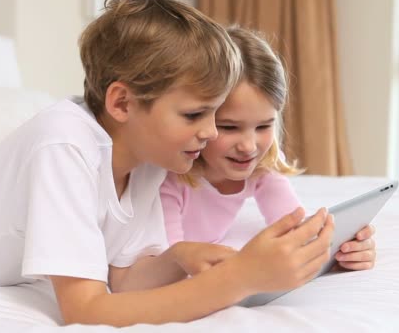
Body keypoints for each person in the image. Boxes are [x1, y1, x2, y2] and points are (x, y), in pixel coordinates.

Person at [0, 0, 334, 327]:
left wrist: (180, 256)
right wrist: (238, 279)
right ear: (123, 102)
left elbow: (125, 279)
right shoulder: (64, 144)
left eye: (214, 114)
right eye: (194, 114)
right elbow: (85, 311)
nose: (208, 132)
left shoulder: (149, 158)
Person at [161, 26, 376, 272]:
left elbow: (294, 227)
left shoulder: (260, 169)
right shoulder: (169, 179)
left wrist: (345, 249)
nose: (248, 147)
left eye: (264, 126)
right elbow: (169, 261)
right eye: (229, 127)